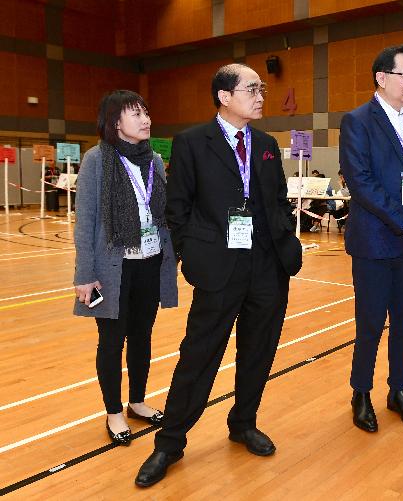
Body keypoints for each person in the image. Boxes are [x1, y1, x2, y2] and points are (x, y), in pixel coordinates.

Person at [135, 64, 303, 487]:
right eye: (252, 88)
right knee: (198, 356)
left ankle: (243, 422)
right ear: (225, 96)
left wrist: (285, 244)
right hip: (218, 268)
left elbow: (278, 199)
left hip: (267, 265)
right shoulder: (192, 142)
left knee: (258, 351)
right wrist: (193, 254)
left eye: (261, 88)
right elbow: (178, 208)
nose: (261, 95)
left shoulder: (265, 143)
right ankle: (169, 442)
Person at [339, 44, 403, 433]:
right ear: (381, 79)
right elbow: (362, 183)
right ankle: (361, 392)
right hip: (376, 239)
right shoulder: (357, 122)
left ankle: (398, 390)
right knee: (369, 322)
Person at [73, 90, 178, 446]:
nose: (146, 119)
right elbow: (85, 221)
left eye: (146, 112)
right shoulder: (95, 160)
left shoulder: (153, 159)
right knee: (111, 340)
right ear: (115, 122)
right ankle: (114, 410)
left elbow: (162, 213)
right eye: (136, 114)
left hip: (149, 261)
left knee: (143, 335)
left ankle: (137, 401)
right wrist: (84, 274)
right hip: (112, 268)